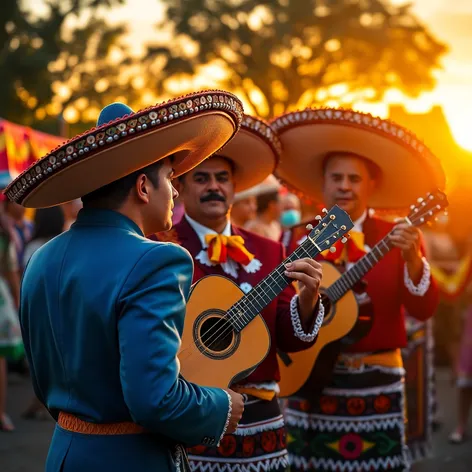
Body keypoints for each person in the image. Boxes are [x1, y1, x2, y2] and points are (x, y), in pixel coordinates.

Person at [5, 92, 246, 472]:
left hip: (65, 451)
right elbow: (156, 399)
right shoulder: (157, 260)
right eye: (169, 177)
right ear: (143, 187)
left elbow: (43, 381)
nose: (176, 190)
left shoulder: (40, 259)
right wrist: (220, 406)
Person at [150, 114, 326, 472]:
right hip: (193, 417)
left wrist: (307, 301)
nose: (213, 186)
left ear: (234, 187)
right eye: (201, 178)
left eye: (222, 178)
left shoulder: (269, 250)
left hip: (263, 424)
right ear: (180, 186)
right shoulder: (159, 247)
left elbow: (288, 339)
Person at [271, 107, 443, 472]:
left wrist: (413, 259)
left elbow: (423, 309)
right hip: (310, 385)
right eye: (336, 177)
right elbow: (276, 307)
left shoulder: (400, 237)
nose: (345, 186)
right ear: (323, 183)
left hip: (377, 389)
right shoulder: (297, 237)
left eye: (354, 178)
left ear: (371, 185)